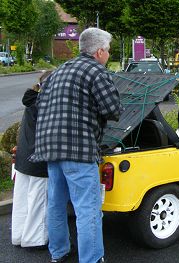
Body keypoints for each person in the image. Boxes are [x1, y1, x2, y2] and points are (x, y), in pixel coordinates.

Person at [31, 27, 121, 263]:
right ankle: (91, 259)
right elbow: (113, 109)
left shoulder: (58, 71)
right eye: (108, 51)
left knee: (56, 205)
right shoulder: (95, 71)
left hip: (50, 148)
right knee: (88, 208)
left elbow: (39, 105)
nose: (109, 55)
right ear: (99, 51)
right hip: (78, 150)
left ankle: (58, 252)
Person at [11, 71, 52, 248]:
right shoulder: (47, 105)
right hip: (38, 161)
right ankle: (35, 239)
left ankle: (18, 235)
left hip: (23, 159)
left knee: (21, 201)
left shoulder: (32, 101)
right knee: (38, 202)